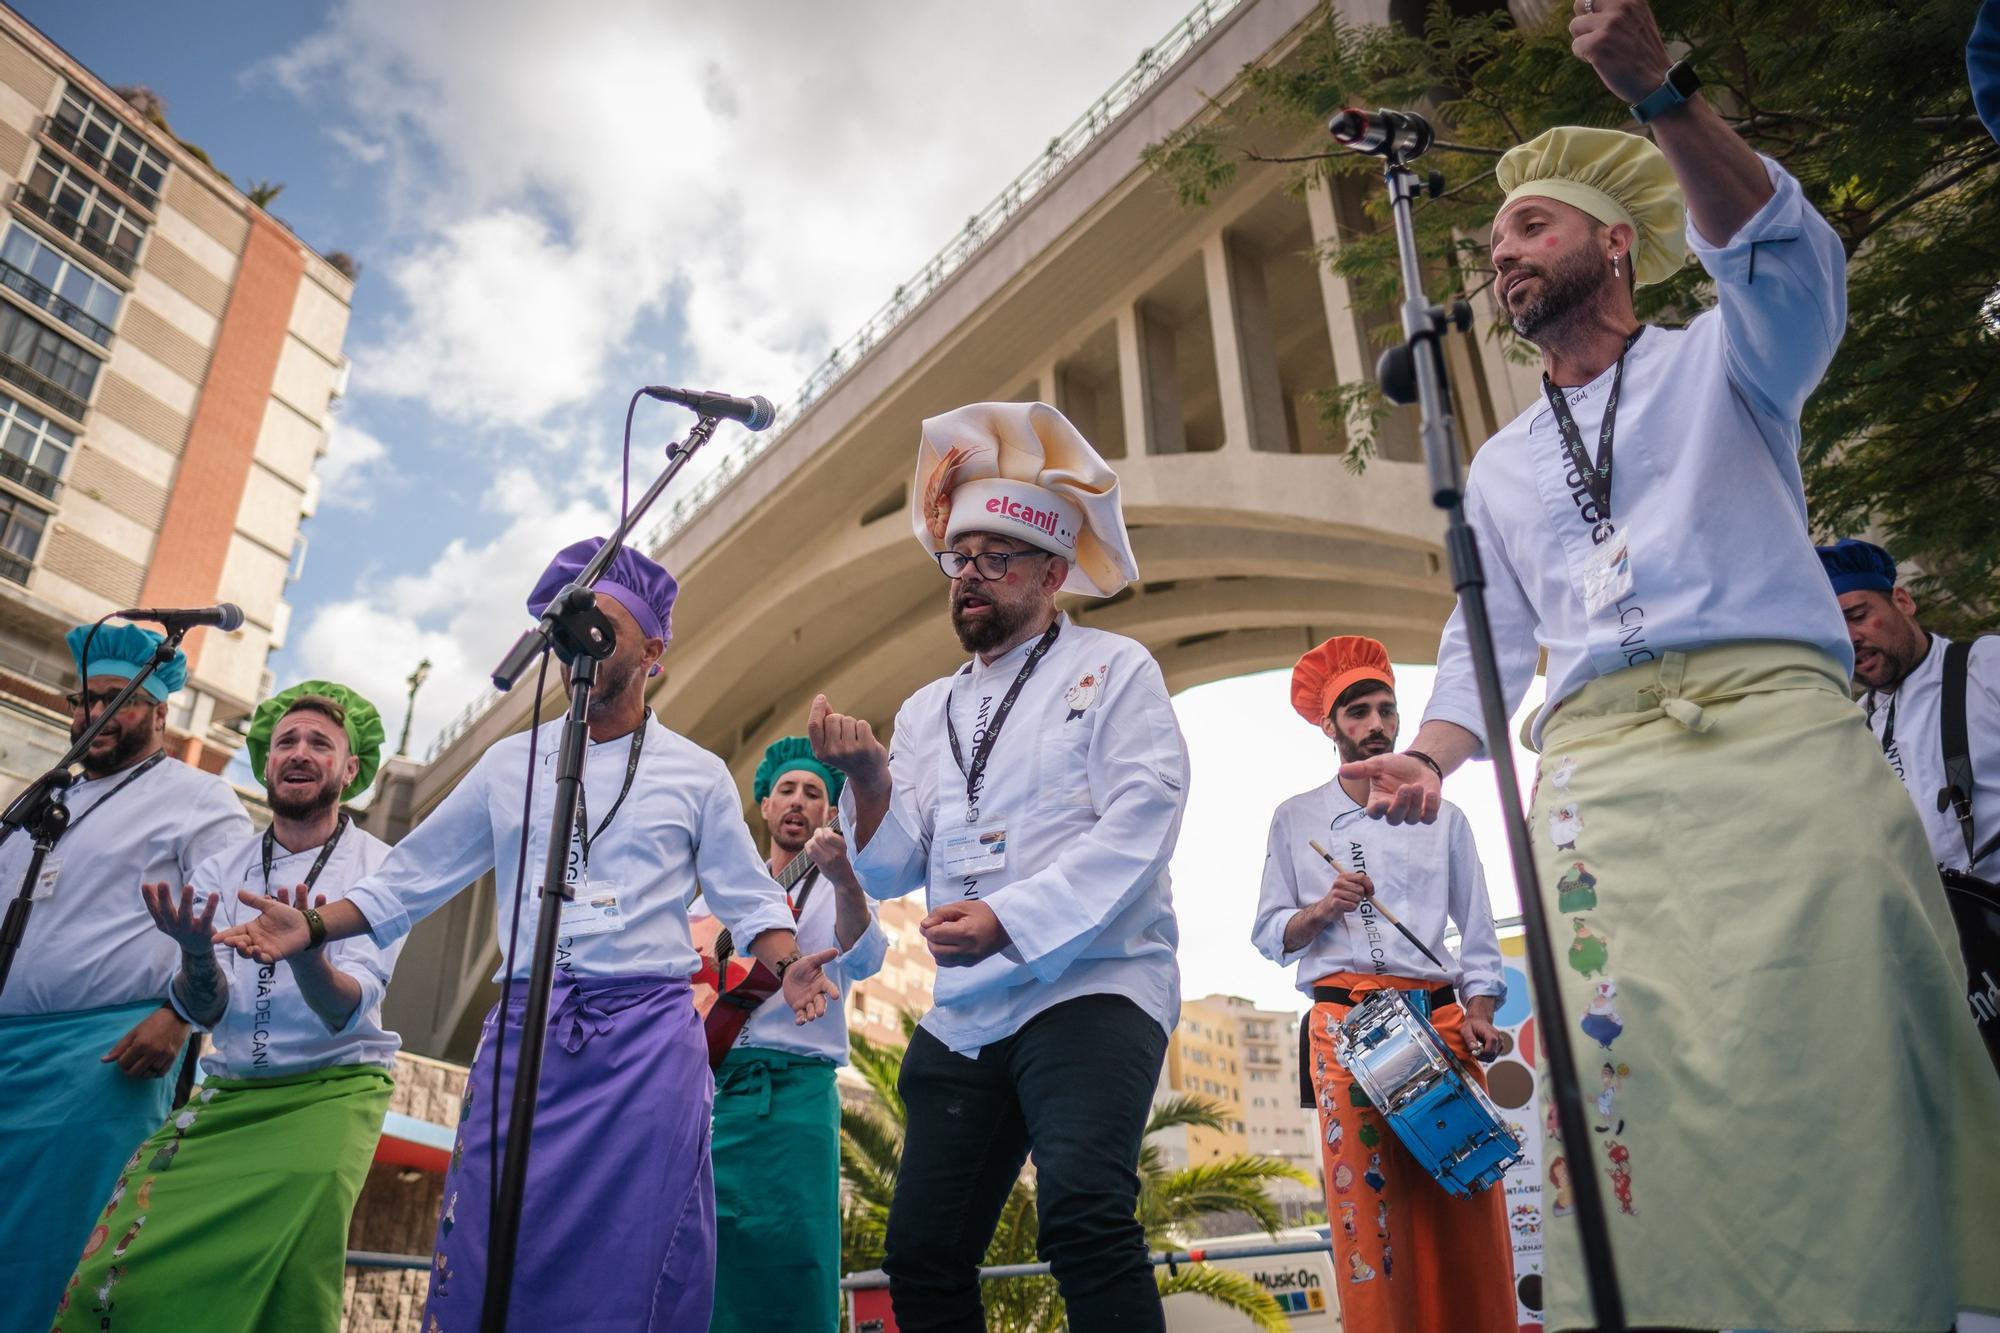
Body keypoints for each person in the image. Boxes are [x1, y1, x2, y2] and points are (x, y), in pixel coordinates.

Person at [1334, 1, 2000, 1327]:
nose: (1504, 250)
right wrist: (1434, 750)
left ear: (1619, 243)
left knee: (1842, 1027)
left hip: (1776, 738)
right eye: (1497, 235)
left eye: (1535, 223)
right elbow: (1493, 633)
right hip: (1602, 784)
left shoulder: (1730, 363)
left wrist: (1660, 94)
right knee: (1634, 1065)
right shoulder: (1505, 461)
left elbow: (1782, 256)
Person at [217, 539, 841, 1331]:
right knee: (491, 1232)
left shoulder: (696, 772)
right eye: (577, 628)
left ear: (652, 651)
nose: (587, 643)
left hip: (647, 1043)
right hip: (526, 1028)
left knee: (637, 1251)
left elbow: (751, 900)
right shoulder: (512, 762)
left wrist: (787, 964)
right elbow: (409, 878)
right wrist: (311, 925)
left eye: (608, 628)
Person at [810, 400, 1189, 1332]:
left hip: (1094, 985)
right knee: (921, 1258)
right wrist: (867, 780)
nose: (968, 575)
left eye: (995, 558)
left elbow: (1145, 816)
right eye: (958, 557)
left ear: (1053, 571)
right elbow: (896, 863)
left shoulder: (1116, 668)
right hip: (972, 1010)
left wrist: (1011, 916)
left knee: (1086, 1219)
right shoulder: (926, 706)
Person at [54, 680, 399, 1331]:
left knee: (288, 1282)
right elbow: (207, 1010)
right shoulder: (223, 865)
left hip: (330, 1095)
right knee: (116, 1270)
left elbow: (344, 1010)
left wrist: (305, 948)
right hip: (231, 1090)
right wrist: (195, 953)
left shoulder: (382, 870)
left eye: (320, 743)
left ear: (351, 769)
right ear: (265, 761)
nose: (298, 752)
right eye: (284, 741)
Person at [1252, 636, 1514, 1333]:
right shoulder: (1294, 817)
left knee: (1464, 1196)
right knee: (1369, 1213)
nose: (1375, 723)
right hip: (1346, 1030)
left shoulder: (1444, 813)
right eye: (1357, 711)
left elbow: (1479, 934)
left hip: (1437, 1017)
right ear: (1330, 725)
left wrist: (1482, 1009)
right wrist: (1321, 908)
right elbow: (1270, 933)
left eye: (1384, 709)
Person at [0, 623, 249, 1328]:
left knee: (61, 1252)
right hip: (7, 1048)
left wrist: (180, 1012)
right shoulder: (44, 801)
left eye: (116, 699)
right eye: (84, 700)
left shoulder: (199, 799)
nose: (93, 715)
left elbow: (222, 917)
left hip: (103, 1059)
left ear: (160, 712)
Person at [705, 736, 886, 1333]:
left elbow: (863, 959)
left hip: (798, 1095)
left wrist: (845, 881)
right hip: (713, 1093)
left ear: (830, 812)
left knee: (796, 1258)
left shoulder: (841, 879)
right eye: (786, 790)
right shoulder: (720, 891)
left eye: (814, 792)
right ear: (763, 805)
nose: (798, 801)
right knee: (706, 1257)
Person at [1820, 536, 2000, 1068]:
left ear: (1902, 601)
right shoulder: (1855, 725)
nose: (1850, 639)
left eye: (1858, 615)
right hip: (1956, 973)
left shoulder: (1987, 667)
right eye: (1833, 630)